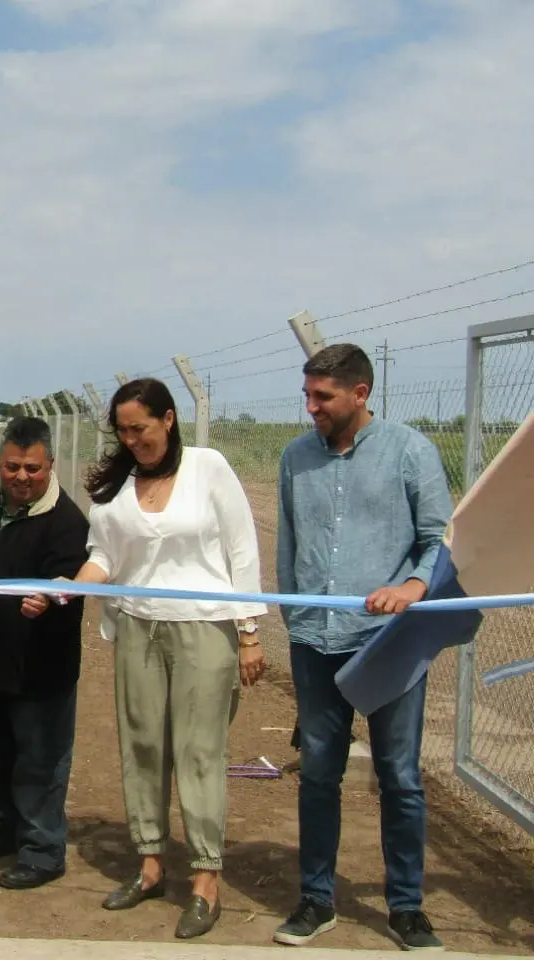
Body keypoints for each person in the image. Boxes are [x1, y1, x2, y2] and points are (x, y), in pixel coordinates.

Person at [61, 377, 267, 940]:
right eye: (123, 431)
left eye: (141, 428)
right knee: (143, 746)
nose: (132, 440)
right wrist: (72, 587)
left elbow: (241, 548)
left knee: (200, 751)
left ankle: (205, 877)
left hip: (205, 627)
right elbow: (104, 554)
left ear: (169, 419)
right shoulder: (115, 485)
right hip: (137, 627)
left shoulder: (208, 467)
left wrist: (249, 631)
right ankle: (150, 862)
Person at [273, 344, 452, 952]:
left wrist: (410, 587)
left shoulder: (411, 451)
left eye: (322, 396)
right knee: (319, 773)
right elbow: (289, 548)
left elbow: (439, 540)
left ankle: (406, 907)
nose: (311, 407)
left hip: (388, 646)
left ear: (360, 392)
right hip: (314, 642)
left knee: (398, 775)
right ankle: (316, 899)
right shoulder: (295, 457)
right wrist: (294, 617)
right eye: (308, 395)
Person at [0, 416, 88, 890]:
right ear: (0, 461)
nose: (22, 478)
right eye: (12, 467)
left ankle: (43, 848)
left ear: (50, 464)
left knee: (40, 758)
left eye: (33, 468)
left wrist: (49, 601)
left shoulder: (69, 523)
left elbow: (71, 593)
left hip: (42, 663)